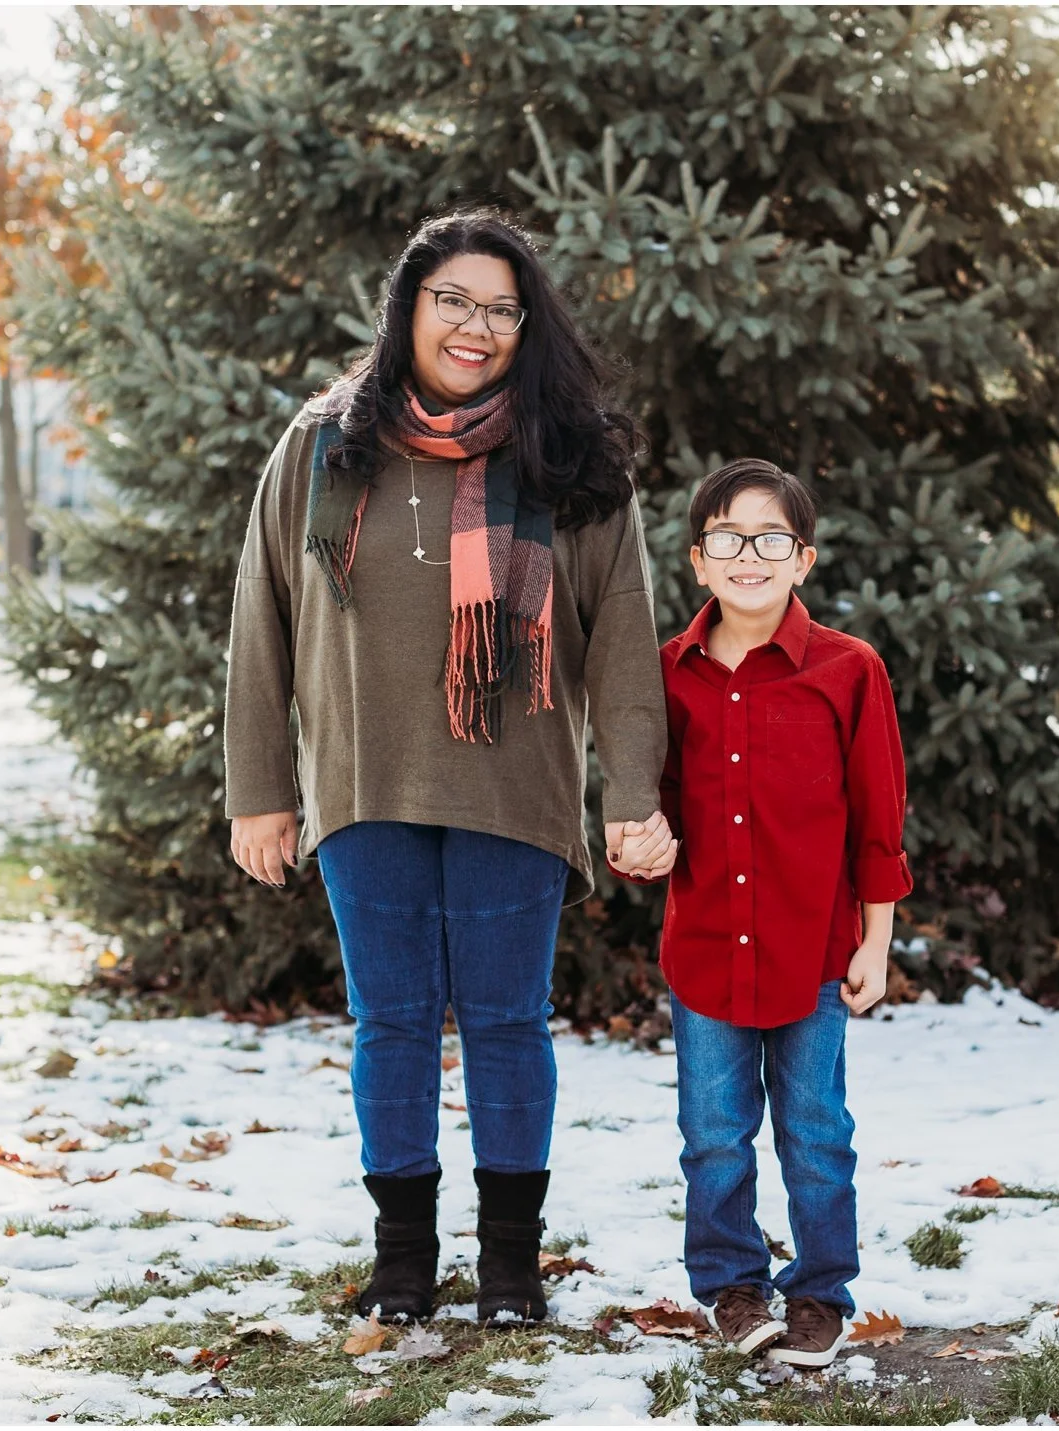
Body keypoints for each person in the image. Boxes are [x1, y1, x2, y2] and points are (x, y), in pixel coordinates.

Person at [223, 209, 679, 1327]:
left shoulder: (570, 461)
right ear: (409, 308)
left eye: (501, 309)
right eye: (453, 301)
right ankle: (403, 1261)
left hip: (512, 790)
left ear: (528, 327)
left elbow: (624, 638)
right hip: (362, 782)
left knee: (507, 1022)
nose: (476, 327)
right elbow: (261, 613)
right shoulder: (323, 445)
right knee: (389, 1021)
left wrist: (631, 794)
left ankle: (512, 1266)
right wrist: (260, 790)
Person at [621, 458, 911, 1367]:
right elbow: (653, 807)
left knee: (816, 1130)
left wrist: (875, 940)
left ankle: (820, 1291)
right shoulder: (667, 675)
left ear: (804, 558)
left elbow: (878, 819)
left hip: (813, 952)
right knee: (713, 1134)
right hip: (707, 950)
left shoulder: (849, 671)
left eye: (771, 538)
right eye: (728, 538)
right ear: (699, 560)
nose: (749, 555)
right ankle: (733, 1285)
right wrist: (640, 843)